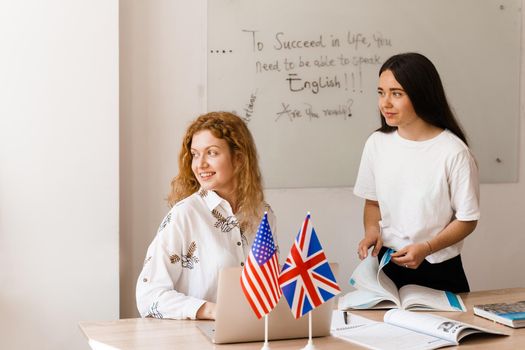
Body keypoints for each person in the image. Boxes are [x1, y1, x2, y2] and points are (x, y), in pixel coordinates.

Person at [354, 53, 480, 293]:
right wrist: (371, 231)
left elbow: (467, 219)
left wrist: (427, 247)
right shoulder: (376, 143)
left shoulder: (454, 152)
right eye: (381, 92)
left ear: (421, 95)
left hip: (438, 268)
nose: (385, 103)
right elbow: (373, 202)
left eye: (396, 94)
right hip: (387, 265)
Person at [136, 111, 276, 320]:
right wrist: (212, 310)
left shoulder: (263, 214)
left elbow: (266, 285)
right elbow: (148, 297)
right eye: (195, 154)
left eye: (211, 153)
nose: (200, 164)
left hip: (252, 334)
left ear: (238, 159)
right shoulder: (184, 215)